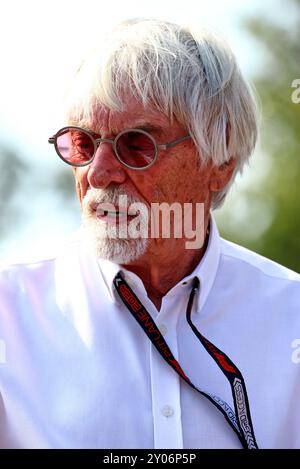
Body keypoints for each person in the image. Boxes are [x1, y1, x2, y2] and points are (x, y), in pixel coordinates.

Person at [0, 18, 299, 450]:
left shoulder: (292, 317)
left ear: (220, 163)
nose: (98, 173)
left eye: (136, 144)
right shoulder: (10, 314)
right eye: (82, 143)